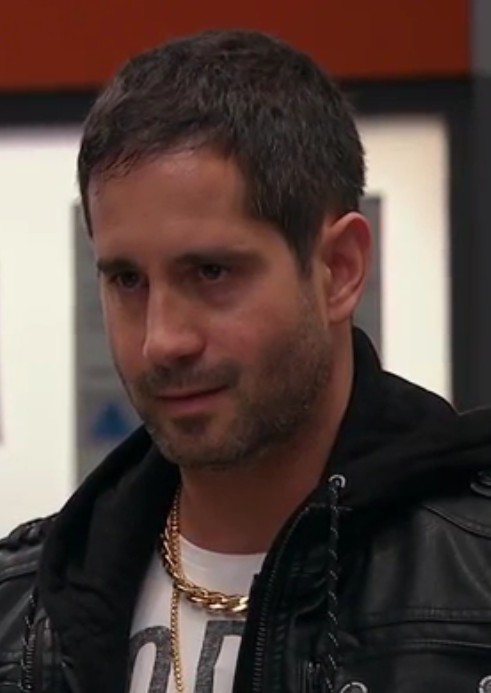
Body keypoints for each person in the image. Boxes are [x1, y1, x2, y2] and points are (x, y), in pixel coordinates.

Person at [2, 28, 491, 693]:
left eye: (211, 272)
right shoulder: (24, 616)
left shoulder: (471, 583)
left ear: (339, 269)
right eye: (127, 280)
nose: (161, 341)